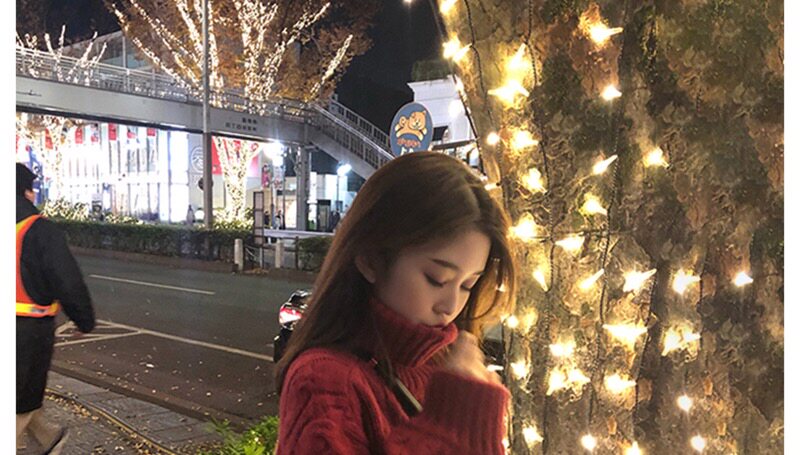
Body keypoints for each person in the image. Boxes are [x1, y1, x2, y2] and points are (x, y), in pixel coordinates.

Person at [275, 152, 517, 454]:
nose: (451, 305)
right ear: (371, 259)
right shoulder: (324, 381)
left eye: (468, 285)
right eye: (437, 278)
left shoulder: (446, 365)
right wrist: (452, 423)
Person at [16, 163, 96, 453]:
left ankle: (49, 438)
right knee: (21, 398)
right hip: (27, 332)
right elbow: (67, 280)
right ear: (27, 192)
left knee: (22, 399)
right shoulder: (38, 229)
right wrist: (84, 320)